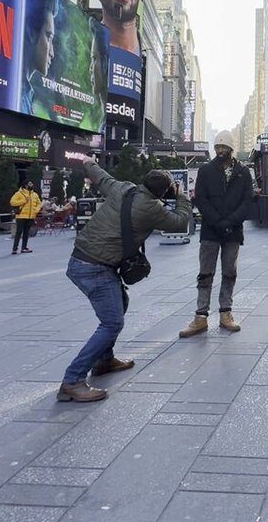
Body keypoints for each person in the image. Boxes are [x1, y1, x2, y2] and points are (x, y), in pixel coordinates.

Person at [59, 156, 191, 402]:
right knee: (112, 323)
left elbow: (100, 176)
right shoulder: (153, 208)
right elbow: (181, 221)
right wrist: (182, 196)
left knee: (121, 301)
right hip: (94, 267)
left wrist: (88, 161)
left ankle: (104, 361)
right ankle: (72, 380)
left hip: (83, 259)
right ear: (163, 192)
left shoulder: (123, 188)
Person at [179, 131, 254, 337]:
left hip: (233, 231)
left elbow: (247, 201)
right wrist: (218, 222)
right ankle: (200, 316)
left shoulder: (243, 172)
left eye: (224, 148)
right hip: (211, 231)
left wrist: (230, 222)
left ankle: (225, 313)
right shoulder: (206, 170)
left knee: (230, 273)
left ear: (231, 149)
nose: (220, 151)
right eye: (217, 147)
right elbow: (200, 199)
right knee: (205, 273)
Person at [20, 0, 57, 116]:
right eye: (48, 37)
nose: (52, 53)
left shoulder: (27, 95)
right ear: (32, 34)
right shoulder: (16, 94)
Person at [10, 181, 42, 254]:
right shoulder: (19, 193)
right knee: (19, 232)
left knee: (26, 232)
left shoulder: (35, 194)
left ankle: (24, 248)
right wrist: (23, 201)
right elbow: (12, 202)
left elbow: (39, 203)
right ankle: (14, 248)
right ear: (25, 185)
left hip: (31, 216)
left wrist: (36, 210)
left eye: (32, 184)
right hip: (21, 216)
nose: (32, 185)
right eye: (30, 184)